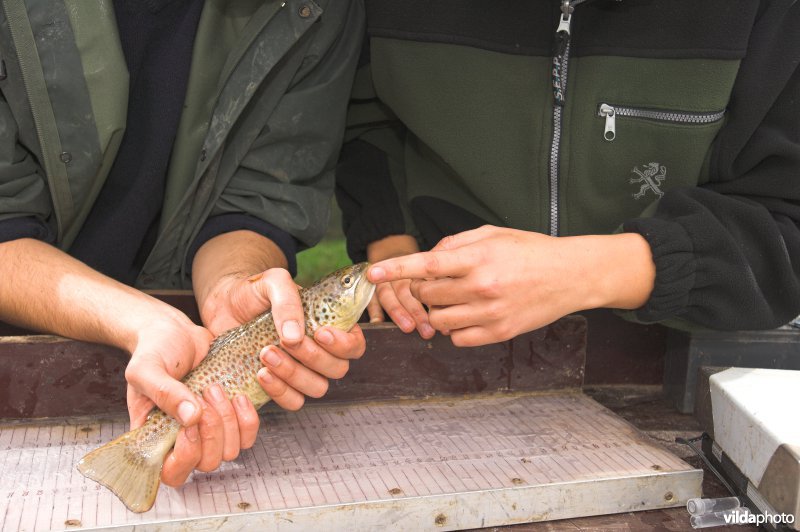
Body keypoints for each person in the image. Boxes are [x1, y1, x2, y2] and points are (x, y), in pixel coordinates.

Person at [0, 0, 365, 487]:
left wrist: (231, 286)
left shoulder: (322, 9)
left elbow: (258, 196)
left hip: (184, 349)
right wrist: (140, 321)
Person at [336, 0, 800, 346]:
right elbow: (366, 120)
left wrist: (583, 274)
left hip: (697, 360)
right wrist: (391, 238)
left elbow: (787, 228)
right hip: (441, 342)